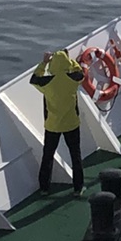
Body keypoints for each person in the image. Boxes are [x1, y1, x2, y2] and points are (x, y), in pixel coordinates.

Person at [32, 48, 87, 194]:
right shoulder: (73, 80)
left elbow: (34, 78)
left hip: (52, 125)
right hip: (72, 124)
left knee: (48, 156)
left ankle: (44, 188)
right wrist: (70, 60)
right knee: (75, 156)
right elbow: (80, 72)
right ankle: (78, 188)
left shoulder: (46, 83)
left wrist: (44, 63)